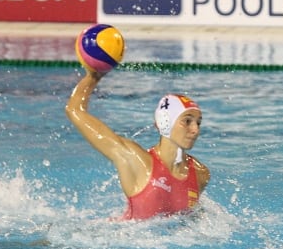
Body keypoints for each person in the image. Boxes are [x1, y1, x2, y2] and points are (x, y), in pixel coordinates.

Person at [66, 69, 210, 220]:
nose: (195, 130)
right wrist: (93, 76)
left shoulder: (200, 174)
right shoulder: (135, 160)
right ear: (165, 122)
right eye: (187, 121)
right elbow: (74, 110)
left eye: (198, 123)